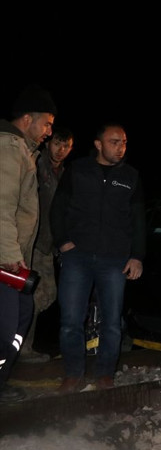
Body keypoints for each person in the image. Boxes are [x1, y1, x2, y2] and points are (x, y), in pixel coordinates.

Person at [51, 122, 146, 393]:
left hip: (114, 260)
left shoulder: (131, 176)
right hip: (77, 257)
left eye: (124, 142)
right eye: (114, 142)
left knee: (112, 322)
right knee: (71, 320)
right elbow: (58, 209)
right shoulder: (78, 170)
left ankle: (105, 374)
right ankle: (73, 374)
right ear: (98, 144)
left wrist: (137, 256)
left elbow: (138, 219)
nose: (120, 147)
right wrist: (63, 242)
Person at [0, 84, 57, 403]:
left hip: (16, 260)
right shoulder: (8, 148)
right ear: (26, 119)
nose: (50, 131)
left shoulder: (24, 151)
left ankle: (2, 381)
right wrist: (10, 255)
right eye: (46, 123)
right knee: (5, 328)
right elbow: (1, 207)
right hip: (5, 260)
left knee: (21, 317)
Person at [19, 126, 74, 363]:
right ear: (48, 143)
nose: (61, 150)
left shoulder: (65, 174)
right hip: (28, 241)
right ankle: (22, 348)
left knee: (45, 294)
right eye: (57, 144)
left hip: (48, 244)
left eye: (66, 146)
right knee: (31, 293)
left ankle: (21, 344)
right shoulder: (36, 162)